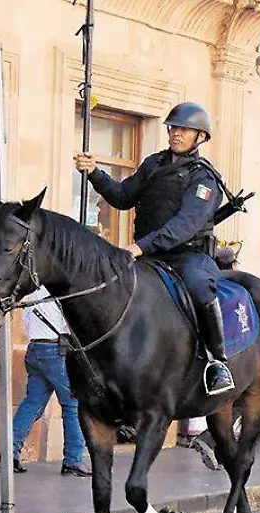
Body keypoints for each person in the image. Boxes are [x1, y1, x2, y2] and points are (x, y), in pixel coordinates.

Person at [74, 102, 234, 396]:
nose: (175, 133)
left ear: (200, 136)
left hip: (187, 256)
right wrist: (95, 172)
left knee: (199, 288)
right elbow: (122, 197)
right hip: (149, 256)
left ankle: (217, 362)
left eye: (184, 129)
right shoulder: (153, 164)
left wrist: (139, 247)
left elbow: (184, 225)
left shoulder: (204, 178)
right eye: (173, 128)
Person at [0, 287, 91, 476]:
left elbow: (25, 323)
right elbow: (71, 324)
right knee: (73, 404)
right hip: (55, 351)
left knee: (32, 403)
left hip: (34, 349)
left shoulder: (31, 292)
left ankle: (8, 455)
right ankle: (73, 461)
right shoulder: (59, 291)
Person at [177, 244, 241, 469]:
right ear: (232, 266)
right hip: (224, 352)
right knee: (236, 395)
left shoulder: (211, 284)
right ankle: (209, 439)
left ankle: (210, 441)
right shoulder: (228, 290)